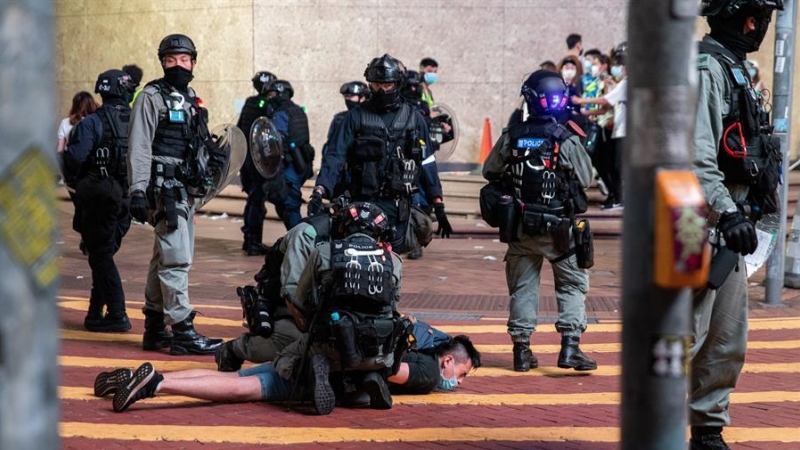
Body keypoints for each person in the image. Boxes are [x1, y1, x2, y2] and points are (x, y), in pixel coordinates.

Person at [690, 1, 783, 449]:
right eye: (755, 16)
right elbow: (697, 154)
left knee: (726, 338)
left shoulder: (736, 69)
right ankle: (661, 427)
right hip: (699, 225)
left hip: (732, 229)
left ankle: (708, 430)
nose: (757, 27)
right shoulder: (707, 68)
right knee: (684, 337)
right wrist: (725, 210)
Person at [96, 319, 480, 413]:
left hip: (307, 350)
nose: (457, 383)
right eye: (460, 375)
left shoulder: (415, 339)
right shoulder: (429, 371)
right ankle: (155, 386)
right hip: (318, 373)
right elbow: (389, 369)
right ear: (449, 360)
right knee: (241, 389)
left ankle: (142, 377)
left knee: (234, 376)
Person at [483, 70, 597, 373]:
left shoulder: (513, 135)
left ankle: (522, 352)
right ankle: (570, 348)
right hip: (559, 229)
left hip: (519, 226)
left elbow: (489, 171)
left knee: (522, 287)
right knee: (572, 284)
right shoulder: (566, 137)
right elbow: (587, 178)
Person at [127, 33, 225, 355]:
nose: (178, 65)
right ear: (162, 63)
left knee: (162, 259)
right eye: (171, 60)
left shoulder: (191, 98)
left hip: (184, 190)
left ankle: (155, 329)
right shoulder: (150, 96)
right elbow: (139, 145)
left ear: (194, 62)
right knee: (176, 260)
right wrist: (138, 190)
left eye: (184, 60)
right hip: (163, 190)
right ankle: (182, 329)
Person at [309, 54, 453, 254]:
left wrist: (438, 202)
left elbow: (427, 161)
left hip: (398, 205)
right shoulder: (355, 118)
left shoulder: (413, 119)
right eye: (376, 85)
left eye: (387, 85)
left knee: (392, 260)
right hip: (361, 202)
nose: (382, 90)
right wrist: (320, 190)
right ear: (370, 84)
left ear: (397, 83)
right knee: (359, 258)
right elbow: (335, 156)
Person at [63, 70, 136, 332]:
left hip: (100, 199)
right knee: (102, 256)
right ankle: (95, 313)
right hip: (129, 199)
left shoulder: (92, 123)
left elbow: (74, 158)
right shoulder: (138, 122)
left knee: (101, 256)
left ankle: (117, 314)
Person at [571, 42, 627, 210]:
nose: (622, 68)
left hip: (623, 131)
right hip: (616, 130)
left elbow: (605, 101)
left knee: (616, 167)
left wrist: (581, 101)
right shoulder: (618, 82)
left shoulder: (626, 83)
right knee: (610, 165)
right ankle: (616, 197)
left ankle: (620, 198)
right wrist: (582, 112)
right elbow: (604, 108)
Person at [264, 79, 315, 230]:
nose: (270, 97)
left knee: (289, 204)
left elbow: (276, 140)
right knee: (287, 202)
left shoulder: (280, 114)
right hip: (302, 161)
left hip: (289, 164)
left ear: (282, 94)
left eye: (273, 94)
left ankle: (298, 241)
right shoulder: (298, 110)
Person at [237, 70, 278, 255]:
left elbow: (240, 128)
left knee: (254, 199)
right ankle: (253, 242)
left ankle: (250, 240)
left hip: (248, 157)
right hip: (258, 158)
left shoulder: (249, 103)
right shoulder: (265, 105)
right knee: (257, 200)